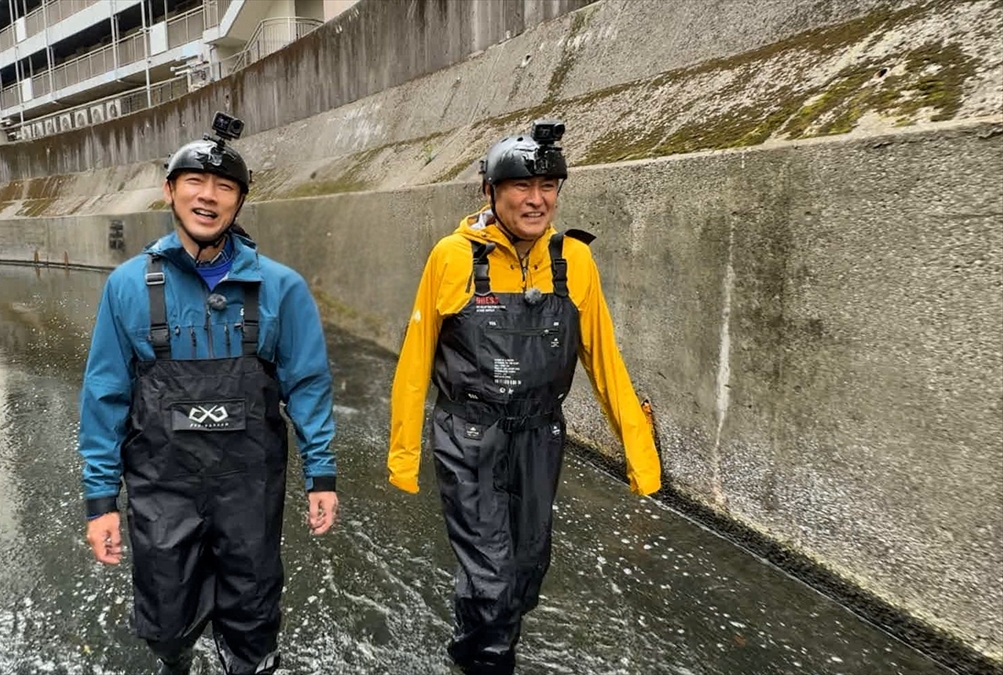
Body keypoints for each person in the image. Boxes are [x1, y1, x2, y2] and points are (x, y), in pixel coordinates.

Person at [387, 119, 662, 674]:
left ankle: (481, 642)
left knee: (526, 570)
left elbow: (605, 360)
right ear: (489, 191)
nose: (536, 201)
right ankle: (484, 660)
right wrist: (403, 454)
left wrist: (640, 455)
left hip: (540, 435)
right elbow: (416, 358)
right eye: (521, 187)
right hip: (469, 436)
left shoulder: (575, 262)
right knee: (491, 578)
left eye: (549, 188)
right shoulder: (453, 257)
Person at [77, 112, 339, 675]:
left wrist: (323, 475)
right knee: (167, 620)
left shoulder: (282, 287)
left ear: (238, 203)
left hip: (249, 489)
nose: (208, 196)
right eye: (195, 182)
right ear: (170, 191)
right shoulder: (126, 286)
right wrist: (101, 502)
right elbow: (104, 396)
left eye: (224, 187)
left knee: (252, 614)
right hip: (160, 491)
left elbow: (309, 386)